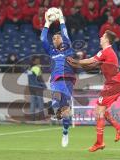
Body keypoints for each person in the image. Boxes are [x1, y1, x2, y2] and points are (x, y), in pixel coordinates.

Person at [67, 30, 120, 152]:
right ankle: (119, 128)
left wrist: (76, 62)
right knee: (101, 109)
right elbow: (91, 65)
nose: (100, 38)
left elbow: (90, 61)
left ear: (107, 40)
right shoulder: (107, 53)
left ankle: (99, 142)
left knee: (99, 110)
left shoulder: (106, 51)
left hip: (113, 84)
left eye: (103, 36)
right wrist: (77, 65)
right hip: (114, 83)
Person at [40, 9, 75, 147]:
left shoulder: (68, 49)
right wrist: (47, 23)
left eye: (57, 38)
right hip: (55, 81)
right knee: (55, 104)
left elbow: (65, 34)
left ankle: (65, 132)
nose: (54, 40)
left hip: (68, 82)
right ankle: (58, 112)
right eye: (53, 38)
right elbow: (43, 39)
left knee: (65, 112)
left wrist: (61, 20)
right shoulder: (51, 52)